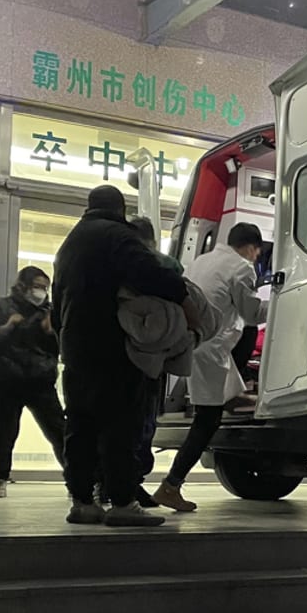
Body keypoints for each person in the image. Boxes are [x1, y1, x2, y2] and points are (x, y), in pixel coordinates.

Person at [52, 185, 196, 527]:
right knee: (120, 425)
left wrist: (64, 340)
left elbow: (57, 306)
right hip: (111, 346)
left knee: (81, 426)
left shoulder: (68, 245)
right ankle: (122, 502)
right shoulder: (117, 235)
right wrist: (186, 302)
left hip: (75, 348)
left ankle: (83, 502)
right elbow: (151, 272)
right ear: (119, 209)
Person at [154, 222, 270, 512]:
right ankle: (170, 485)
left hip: (194, 343)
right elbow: (252, 314)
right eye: (257, 252)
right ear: (251, 248)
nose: (256, 258)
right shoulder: (242, 268)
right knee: (207, 422)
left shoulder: (200, 261)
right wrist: (284, 301)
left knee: (222, 400)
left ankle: (236, 398)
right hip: (212, 348)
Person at [0, 265, 67, 498]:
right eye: (37, 286)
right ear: (23, 286)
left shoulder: (50, 312)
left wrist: (51, 333)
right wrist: (7, 327)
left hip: (41, 379)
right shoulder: (4, 307)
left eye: (45, 288)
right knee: (5, 431)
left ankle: (76, 479)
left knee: (59, 430)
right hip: (8, 378)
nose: (41, 292)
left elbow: (63, 346)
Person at [121, 216, 187, 508]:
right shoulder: (166, 265)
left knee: (121, 421)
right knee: (145, 422)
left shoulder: (117, 266)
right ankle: (131, 482)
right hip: (156, 355)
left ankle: (118, 482)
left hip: (123, 352)